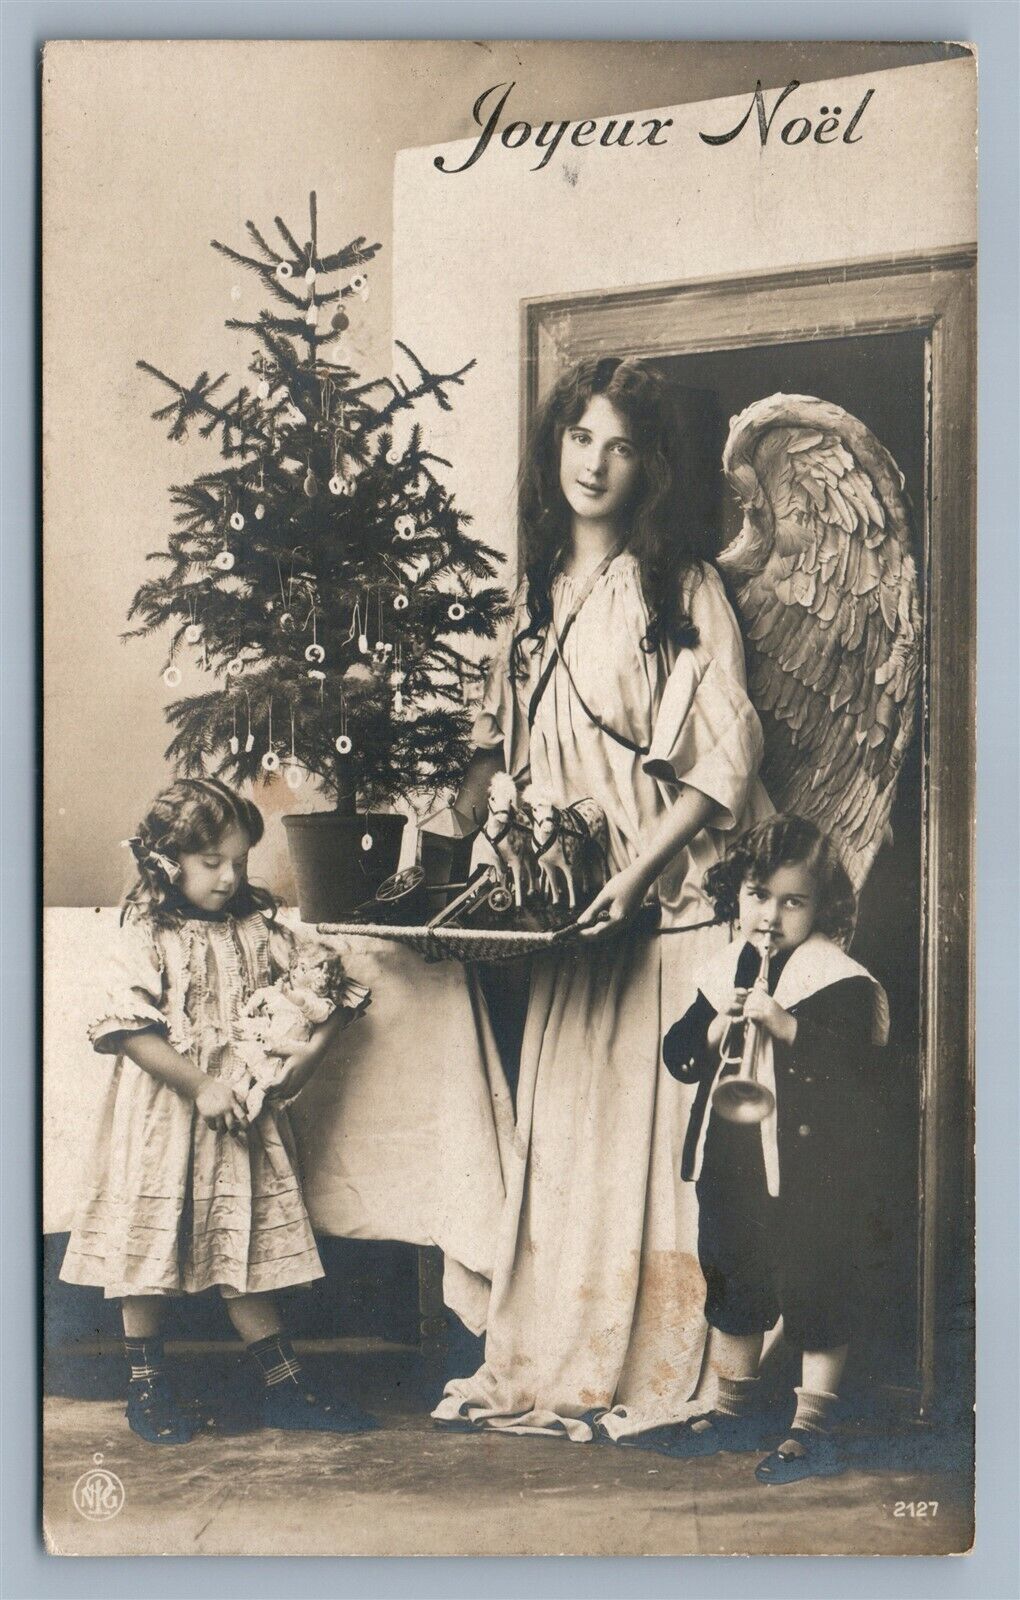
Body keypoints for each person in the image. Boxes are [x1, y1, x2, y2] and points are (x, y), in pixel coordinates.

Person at [432, 355, 770, 1439]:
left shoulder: (681, 592)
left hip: (669, 921)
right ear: (555, 447)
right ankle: (557, 1352)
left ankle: (659, 1363)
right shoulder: (532, 601)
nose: (595, 461)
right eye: (581, 436)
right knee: (573, 1145)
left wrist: (635, 874)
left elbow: (723, 761)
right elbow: (522, 769)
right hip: (576, 923)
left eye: (621, 444)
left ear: (650, 467)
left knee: (656, 1154)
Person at [60, 777, 375, 1444]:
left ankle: (284, 1387)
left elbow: (338, 986)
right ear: (166, 861)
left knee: (245, 1248)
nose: (230, 877)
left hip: (239, 1119)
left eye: (240, 862)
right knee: (150, 1247)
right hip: (166, 1115)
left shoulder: (258, 927)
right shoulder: (146, 931)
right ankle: (145, 1386)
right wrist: (199, 1083)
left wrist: (307, 1059)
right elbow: (130, 1029)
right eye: (212, 864)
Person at [660, 814, 889, 1483]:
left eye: (794, 901)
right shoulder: (721, 969)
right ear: (738, 895)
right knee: (733, 1268)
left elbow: (859, 1071)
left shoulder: (837, 976)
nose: (772, 915)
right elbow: (678, 1055)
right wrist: (715, 1029)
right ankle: (735, 1409)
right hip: (733, 1152)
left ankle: (809, 1423)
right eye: (760, 896)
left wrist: (785, 1024)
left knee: (815, 1279)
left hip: (812, 1165)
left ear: (823, 907)